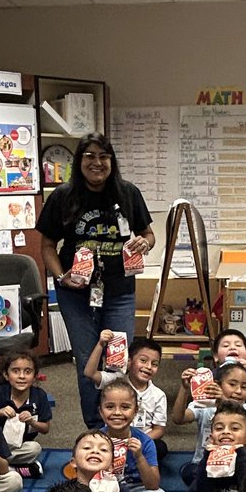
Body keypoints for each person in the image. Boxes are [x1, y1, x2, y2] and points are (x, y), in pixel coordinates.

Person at [35, 133, 155, 428]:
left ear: (111, 161)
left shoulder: (128, 193)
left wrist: (145, 244)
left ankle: (119, 425)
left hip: (119, 292)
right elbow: (48, 246)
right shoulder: (63, 197)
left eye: (103, 156)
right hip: (76, 295)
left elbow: (148, 234)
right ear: (79, 161)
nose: (97, 163)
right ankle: (94, 428)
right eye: (89, 156)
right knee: (87, 361)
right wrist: (61, 277)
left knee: (117, 360)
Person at [99, 376, 170, 492]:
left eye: (125, 407)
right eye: (110, 407)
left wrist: (139, 456)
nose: (117, 413)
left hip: (135, 491)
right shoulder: (95, 439)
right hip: (103, 490)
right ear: (101, 412)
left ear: (135, 411)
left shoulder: (144, 441)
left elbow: (153, 485)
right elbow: (82, 478)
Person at [83, 331, 168, 461]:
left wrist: (139, 441)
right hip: (112, 437)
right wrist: (100, 344)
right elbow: (90, 373)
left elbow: (159, 430)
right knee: (89, 444)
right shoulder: (117, 380)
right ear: (129, 362)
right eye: (143, 360)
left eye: (155, 364)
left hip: (141, 440)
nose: (149, 367)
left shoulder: (159, 395)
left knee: (160, 448)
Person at [173, 357, 246, 485]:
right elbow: (178, 418)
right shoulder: (205, 405)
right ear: (217, 385)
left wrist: (224, 400)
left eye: (244, 387)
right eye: (232, 384)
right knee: (189, 472)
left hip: (235, 462)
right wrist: (184, 389)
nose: (238, 391)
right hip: (203, 462)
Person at [0, 349, 52, 479]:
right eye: (15, 371)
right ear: (6, 375)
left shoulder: (40, 396)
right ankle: (11, 468)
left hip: (19, 447)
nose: (21, 376)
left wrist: (32, 422)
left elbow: (46, 428)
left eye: (28, 372)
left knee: (35, 449)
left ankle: (2, 468)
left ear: (35, 375)